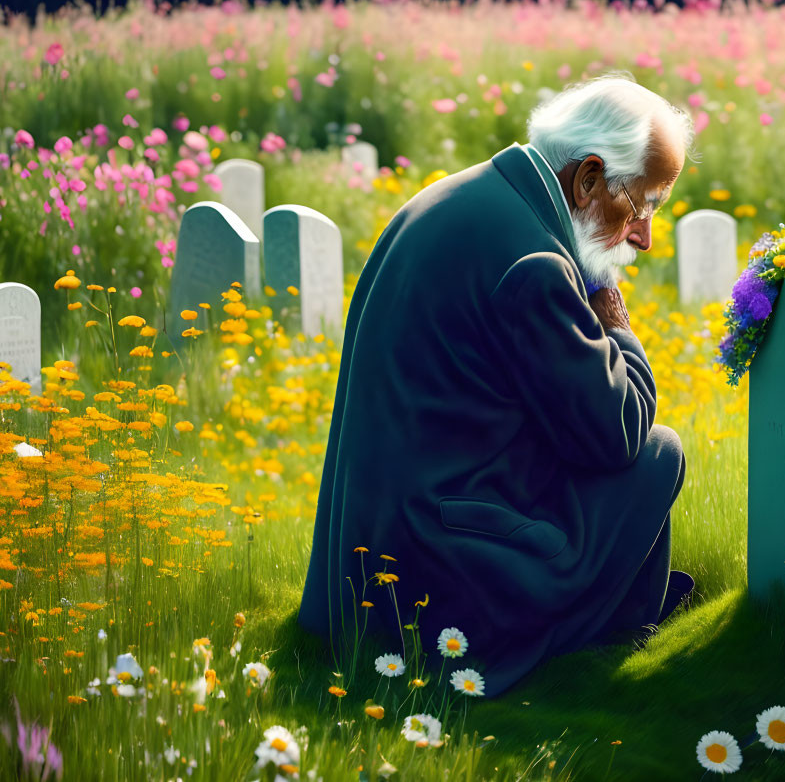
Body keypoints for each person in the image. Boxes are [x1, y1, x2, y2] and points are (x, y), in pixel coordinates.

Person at [298, 71, 697, 696]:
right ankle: (614, 626)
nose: (644, 234)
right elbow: (617, 433)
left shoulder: (454, 195)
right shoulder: (537, 265)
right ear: (588, 179)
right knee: (657, 452)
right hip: (440, 569)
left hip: (365, 558)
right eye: (642, 202)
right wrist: (616, 322)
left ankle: (619, 605)